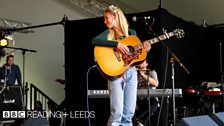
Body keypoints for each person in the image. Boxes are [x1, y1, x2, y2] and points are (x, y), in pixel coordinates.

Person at [91, 5, 151, 126]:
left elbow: (137, 55)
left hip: (131, 73)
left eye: (106, 18)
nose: (104, 21)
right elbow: (95, 41)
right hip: (116, 74)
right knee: (117, 114)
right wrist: (116, 44)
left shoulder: (132, 33)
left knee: (128, 113)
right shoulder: (108, 33)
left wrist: (146, 50)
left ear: (115, 17)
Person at [135, 59, 159, 126]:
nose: (140, 62)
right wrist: (135, 102)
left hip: (150, 99)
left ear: (146, 64)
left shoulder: (151, 72)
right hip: (139, 101)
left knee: (154, 102)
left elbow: (155, 84)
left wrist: (144, 75)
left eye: (143, 61)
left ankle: (141, 122)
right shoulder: (134, 75)